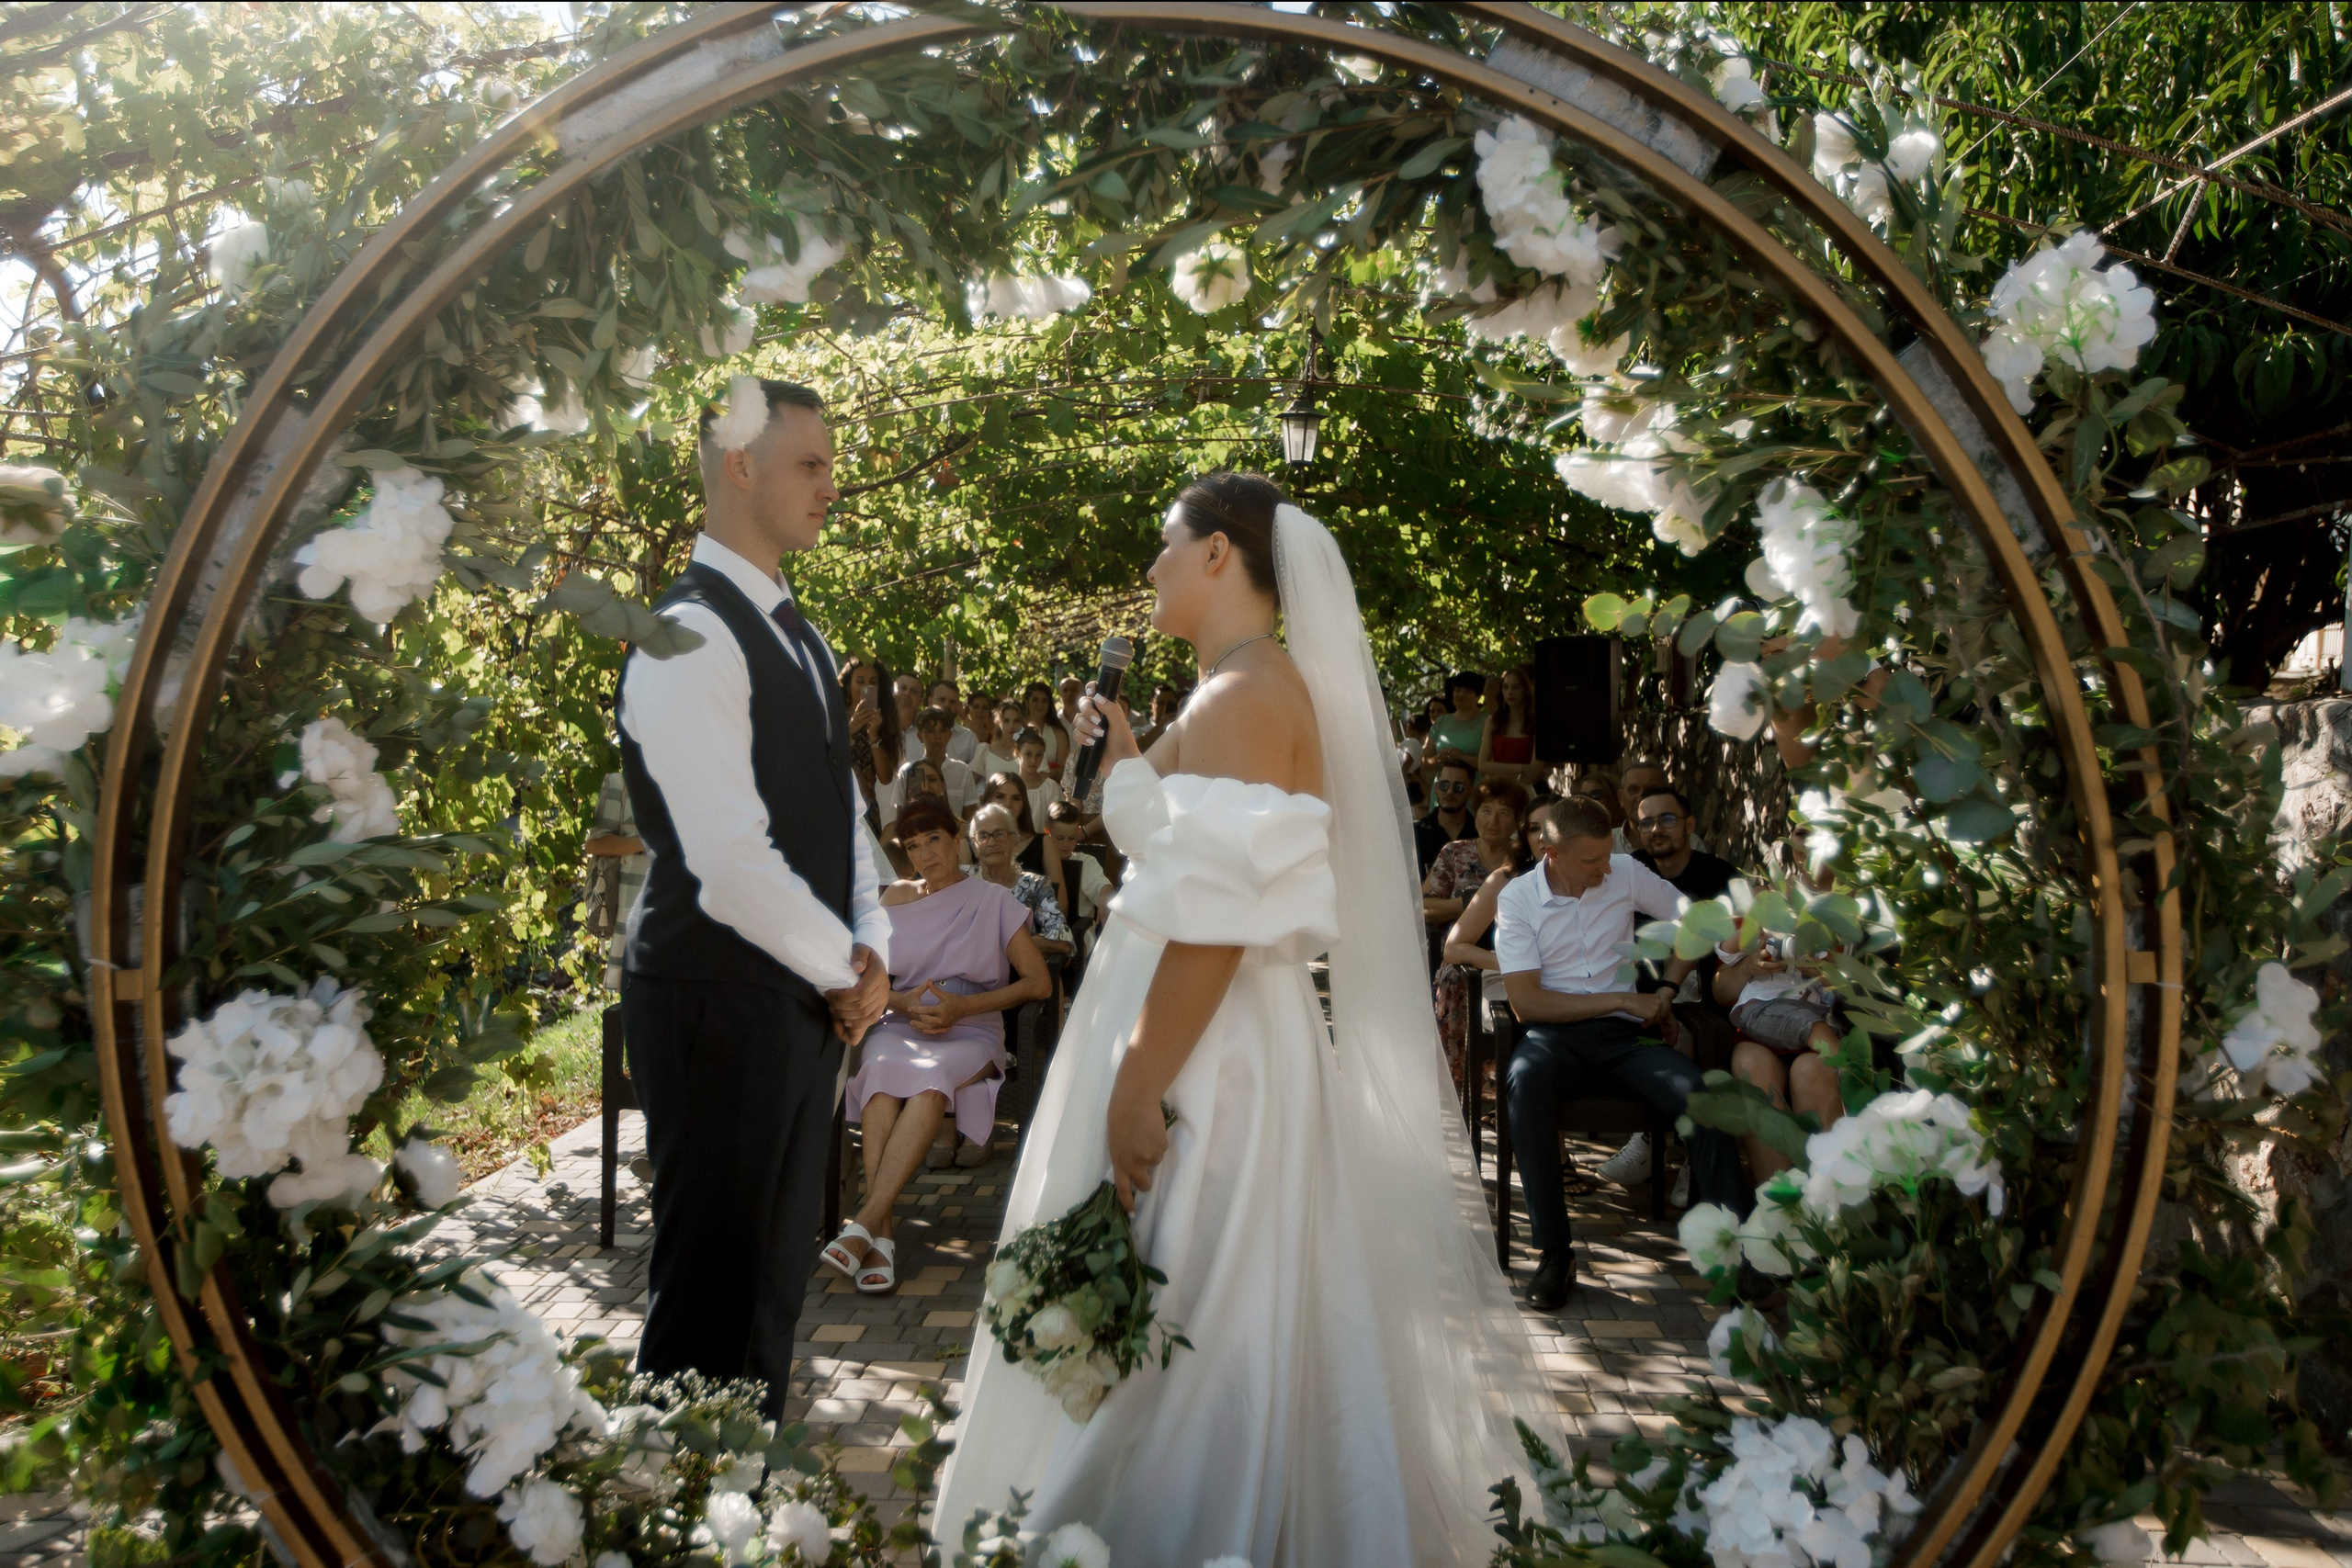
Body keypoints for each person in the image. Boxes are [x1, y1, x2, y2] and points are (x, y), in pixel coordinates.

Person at [937, 473, 1541, 1563]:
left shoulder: (1243, 697)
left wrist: (1134, 1085)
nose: (1151, 566)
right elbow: (1159, 839)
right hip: (1203, 1024)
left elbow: (1210, 923)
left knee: (1184, 1311)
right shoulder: (1233, 689)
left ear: (1219, 554)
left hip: (1200, 1043)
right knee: (1185, 1297)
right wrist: (1119, 742)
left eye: (1165, 545)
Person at [614, 378, 889, 1416]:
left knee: (768, 1300)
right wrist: (846, 975)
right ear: (740, 465)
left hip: (797, 1001)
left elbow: (840, 811)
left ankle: (733, 1506)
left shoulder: (801, 633)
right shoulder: (681, 636)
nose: (831, 485)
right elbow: (729, 861)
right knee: (708, 1300)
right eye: (810, 464)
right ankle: (669, 1511)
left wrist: (874, 948)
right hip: (713, 1001)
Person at [1495, 796, 1747, 1313]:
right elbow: (1525, 1002)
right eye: (1591, 861)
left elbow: (1694, 923)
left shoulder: (1627, 871)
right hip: (1553, 1035)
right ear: (1551, 851)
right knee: (1524, 1084)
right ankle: (1555, 1253)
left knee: (1702, 1099)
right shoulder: (1517, 899)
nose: (1606, 868)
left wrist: (1669, 991)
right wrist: (1620, 998)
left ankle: (1737, 1254)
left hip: (1624, 1038)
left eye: (1607, 854)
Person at [828, 799, 1051, 1289]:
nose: (926, 854)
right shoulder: (895, 900)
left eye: (934, 841)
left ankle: (864, 1225)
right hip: (900, 1021)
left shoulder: (992, 899)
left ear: (956, 840)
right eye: (913, 846)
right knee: (881, 1075)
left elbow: (1039, 983)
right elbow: (875, 979)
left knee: (930, 1082)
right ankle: (879, 1238)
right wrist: (906, 1008)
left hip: (971, 1027)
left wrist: (961, 1009)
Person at [1714, 923, 1848, 1179]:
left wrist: (1826, 972)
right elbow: (1720, 990)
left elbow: (1861, 992)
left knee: (1811, 1071)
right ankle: (1776, 1197)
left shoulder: (1841, 918)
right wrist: (1750, 965)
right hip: (1763, 1023)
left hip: (1819, 1021)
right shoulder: (1755, 917)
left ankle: (1825, 1196)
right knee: (1751, 1066)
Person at [1424, 780, 1531, 1094]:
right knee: (1456, 981)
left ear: (1517, 821)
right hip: (1461, 955)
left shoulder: (1524, 858)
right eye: (1486, 810)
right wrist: (1469, 903)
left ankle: (1504, 1089)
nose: (1492, 820)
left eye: (1503, 813)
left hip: (1515, 954)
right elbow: (1424, 905)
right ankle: (1461, 1086)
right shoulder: (1455, 853)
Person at [1041, 797, 1114, 956]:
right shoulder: (1039, 859)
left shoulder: (1085, 861)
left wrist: (1105, 896)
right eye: (1060, 838)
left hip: (1080, 931)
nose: (1066, 845)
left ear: (1078, 832)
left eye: (1072, 838)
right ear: (1047, 832)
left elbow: (1102, 886)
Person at [839, 656, 901, 829]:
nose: (867, 687)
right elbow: (823, 755)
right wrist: (849, 729)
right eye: (860, 681)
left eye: (873, 682)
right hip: (837, 804)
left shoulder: (884, 720)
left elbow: (885, 777)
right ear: (848, 685)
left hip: (867, 811)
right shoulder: (834, 718)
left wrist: (874, 736)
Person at [1477, 663, 1543, 790]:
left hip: (1526, 790)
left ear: (1525, 690)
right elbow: (1482, 765)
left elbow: (1534, 771)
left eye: (1516, 687)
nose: (1510, 692)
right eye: (1505, 687)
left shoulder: (1537, 723)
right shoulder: (1493, 722)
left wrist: (1498, 768)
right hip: (1496, 788)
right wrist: (1521, 768)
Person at [978, 769, 1049, 875]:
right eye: (1000, 797)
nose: (1008, 804)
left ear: (1023, 804)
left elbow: (1058, 891)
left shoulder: (1045, 843)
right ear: (987, 800)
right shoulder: (969, 845)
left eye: (1016, 798)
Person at [1414, 759, 1476, 878]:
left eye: (1459, 787)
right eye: (1444, 785)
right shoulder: (1415, 833)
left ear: (1470, 792)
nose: (1450, 791)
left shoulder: (1481, 834)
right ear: (1436, 788)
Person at [903, 678, 978, 767]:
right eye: (942, 700)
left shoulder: (968, 739)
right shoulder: (909, 734)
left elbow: (977, 777)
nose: (947, 705)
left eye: (952, 702)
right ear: (930, 701)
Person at [1428, 671, 1487, 773]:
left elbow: (1491, 762)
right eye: (1457, 690)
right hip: (1442, 786)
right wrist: (1437, 759)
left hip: (1476, 787)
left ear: (1478, 697)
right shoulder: (1441, 721)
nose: (1461, 694)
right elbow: (1424, 761)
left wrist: (1462, 758)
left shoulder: (1488, 721)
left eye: (1468, 691)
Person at [1012, 726, 1066, 830]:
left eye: (1038, 755)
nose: (1033, 760)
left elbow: (1059, 822)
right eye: (1028, 754)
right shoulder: (1011, 787)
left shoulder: (1050, 787)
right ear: (1018, 753)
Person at [1021, 680, 1072, 768]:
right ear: (1027, 703)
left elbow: (1062, 772)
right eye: (1035, 700)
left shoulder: (1059, 734)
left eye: (1044, 701)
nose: (1040, 705)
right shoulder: (1018, 731)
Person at [968, 691, 1016, 781]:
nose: (980, 711)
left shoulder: (1029, 752)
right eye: (1006, 721)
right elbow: (970, 782)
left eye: (985, 708)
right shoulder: (983, 749)